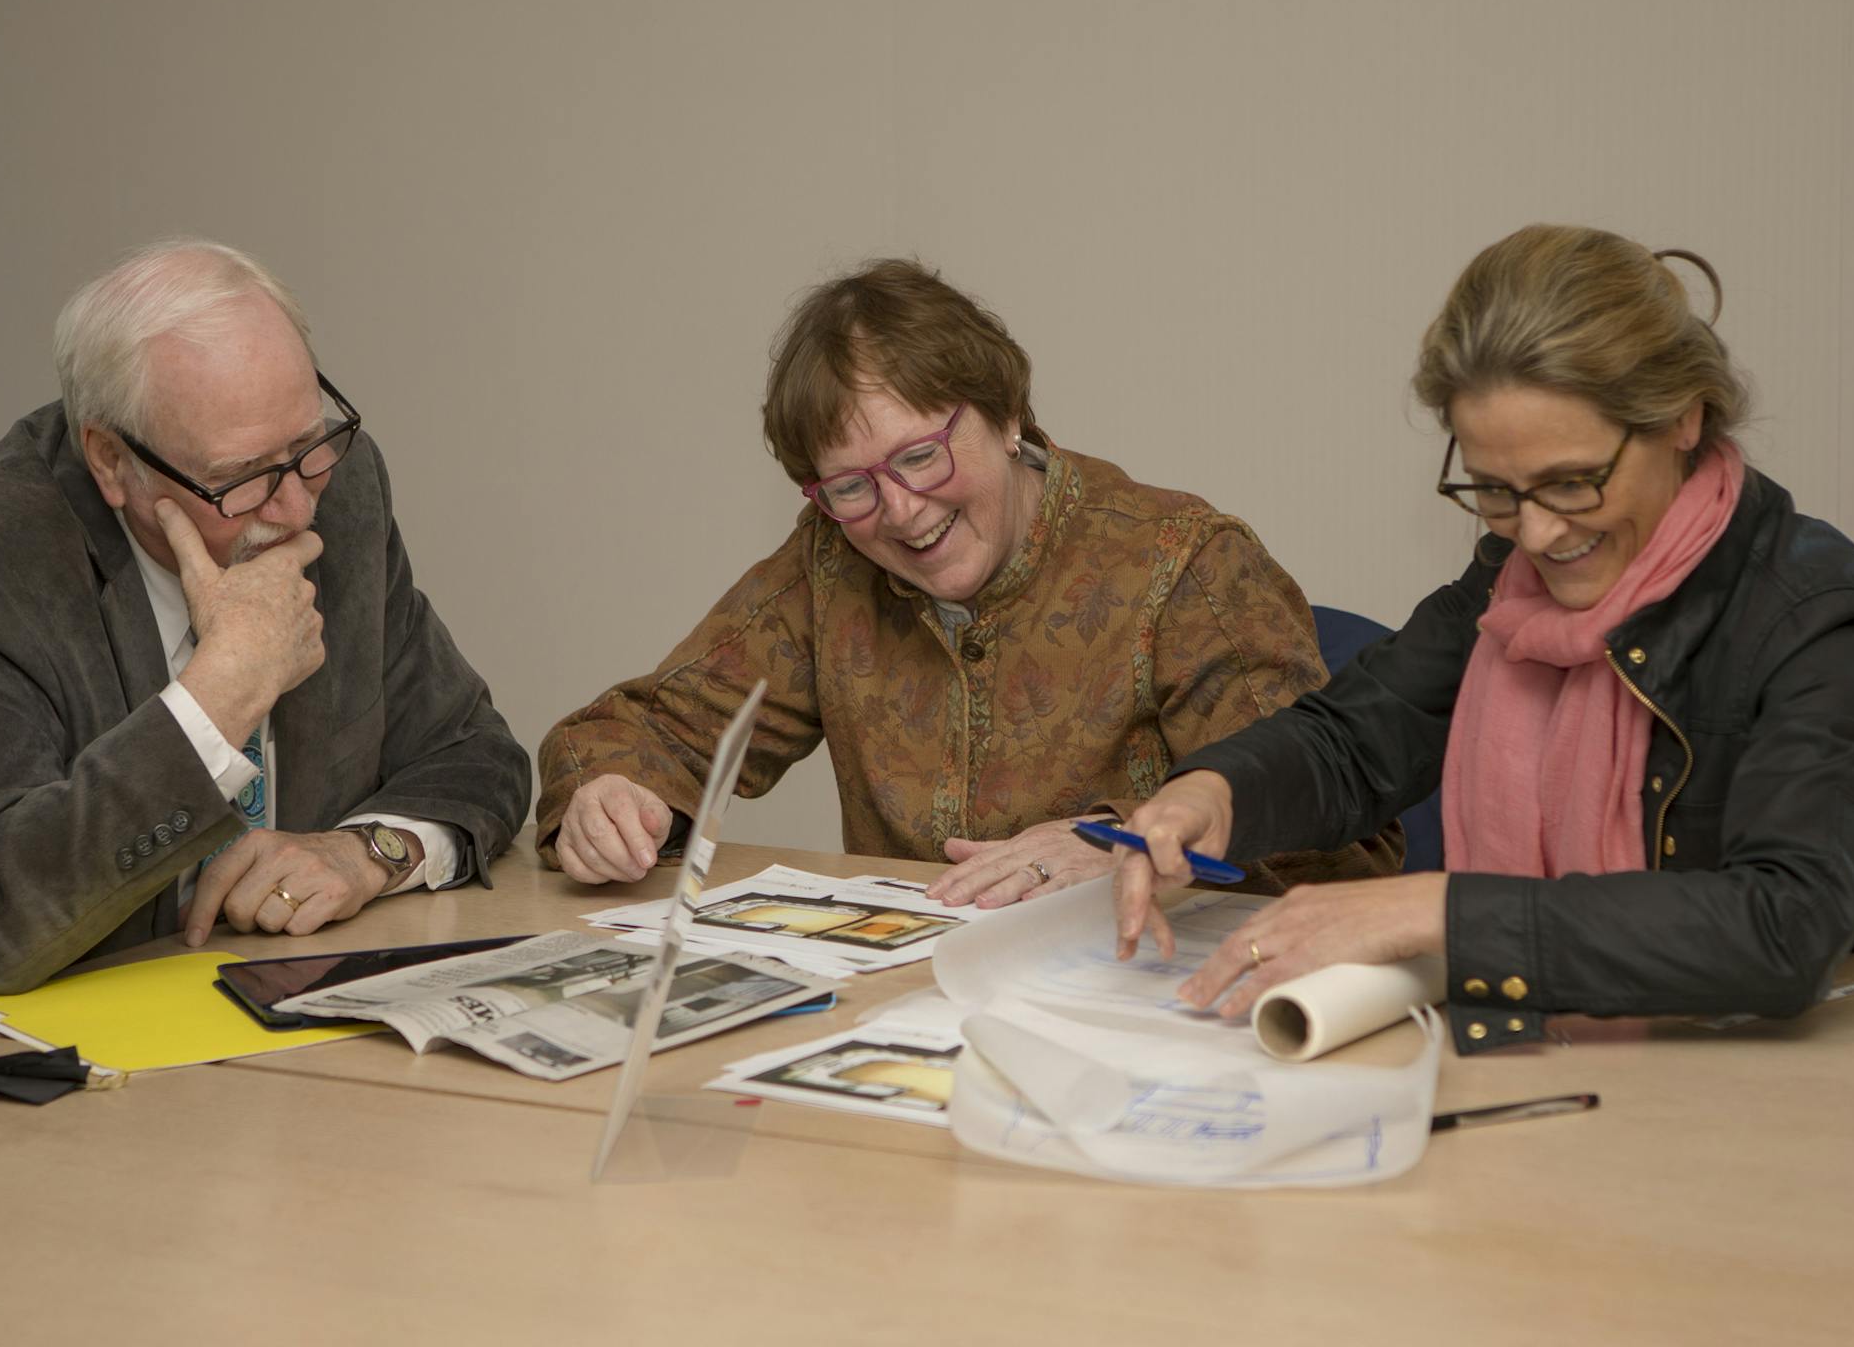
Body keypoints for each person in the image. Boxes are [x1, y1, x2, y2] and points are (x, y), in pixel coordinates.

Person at [1113, 224, 1854, 1051]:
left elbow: (1782, 928)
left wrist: (1438, 910)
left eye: (1572, 483)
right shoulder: (1508, 577)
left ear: (1682, 420)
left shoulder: (1815, 615)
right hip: (1577, 1060)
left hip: (1841, 1083)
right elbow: (1358, 738)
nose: (1540, 534)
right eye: (1494, 489)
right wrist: (1219, 791)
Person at [0, 240, 529, 1042]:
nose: (293, 511)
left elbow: (473, 751)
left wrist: (366, 852)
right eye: (242, 475)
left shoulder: (335, 486)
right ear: (111, 460)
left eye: (307, 447)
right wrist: (222, 694)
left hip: (242, 1039)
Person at [536, 259, 1398, 896]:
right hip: (913, 1019)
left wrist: (1122, 844)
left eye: (919, 455)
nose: (901, 512)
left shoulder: (1186, 567)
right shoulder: (831, 564)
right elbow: (643, 730)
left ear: (1006, 412)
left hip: (1140, 1018)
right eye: (850, 485)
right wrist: (613, 795)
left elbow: (1338, 850)